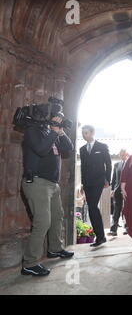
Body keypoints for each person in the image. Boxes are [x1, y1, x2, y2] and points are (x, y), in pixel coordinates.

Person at [21, 115, 74, 276]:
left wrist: (60, 132)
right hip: (37, 182)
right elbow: (41, 150)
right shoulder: (33, 131)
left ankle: (55, 249)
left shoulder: (53, 133)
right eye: (55, 118)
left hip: (52, 184)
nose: (57, 122)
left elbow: (68, 148)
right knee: (42, 221)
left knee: (58, 216)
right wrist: (53, 131)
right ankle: (30, 263)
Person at [80, 125, 112, 247]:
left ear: (92, 133)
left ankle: (100, 236)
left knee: (93, 206)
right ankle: (100, 237)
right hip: (87, 183)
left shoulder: (102, 147)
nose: (84, 135)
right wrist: (83, 183)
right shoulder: (82, 149)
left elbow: (108, 164)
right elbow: (83, 167)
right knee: (92, 208)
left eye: (86, 132)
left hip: (99, 181)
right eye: (83, 133)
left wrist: (107, 179)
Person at [108, 148, 129, 236]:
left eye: (123, 154)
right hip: (117, 190)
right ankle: (113, 230)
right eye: (120, 154)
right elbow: (113, 179)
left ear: (127, 154)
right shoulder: (116, 165)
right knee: (116, 210)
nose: (122, 155)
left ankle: (128, 228)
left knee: (127, 209)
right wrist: (112, 190)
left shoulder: (130, 164)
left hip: (128, 190)